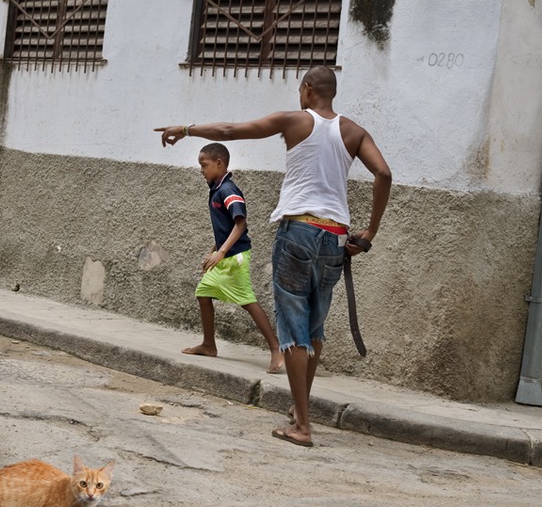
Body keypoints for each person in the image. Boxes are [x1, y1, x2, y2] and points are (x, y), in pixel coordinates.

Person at [155, 66, 392, 448]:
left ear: (308, 89)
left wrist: (185, 130)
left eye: (301, 90)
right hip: (334, 237)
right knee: (314, 331)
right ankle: (300, 413)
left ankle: (303, 428)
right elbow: (383, 174)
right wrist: (369, 233)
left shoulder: (296, 121)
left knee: (295, 329)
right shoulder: (354, 132)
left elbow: (230, 132)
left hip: (298, 230)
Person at [182, 141, 284, 375]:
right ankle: (209, 345)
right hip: (227, 254)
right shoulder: (217, 189)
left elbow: (240, 223)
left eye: (204, 165)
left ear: (219, 164)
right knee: (203, 292)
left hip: (235, 257)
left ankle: (276, 348)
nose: (201, 170)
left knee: (247, 300)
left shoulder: (228, 190)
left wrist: (221, 252)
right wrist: (213, 250)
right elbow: (224, 227)